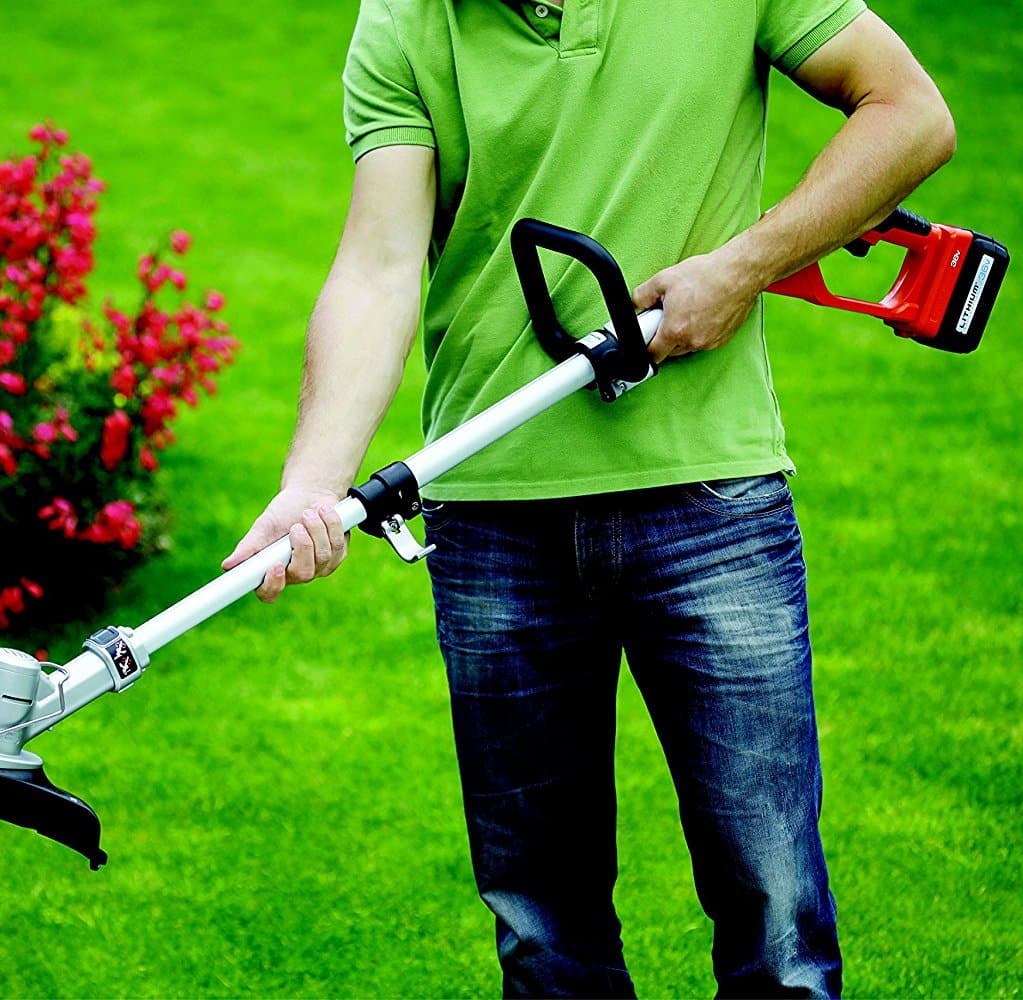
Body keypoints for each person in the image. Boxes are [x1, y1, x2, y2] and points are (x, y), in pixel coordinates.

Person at [222, 1, 954, 995]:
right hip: (492, 517)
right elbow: (380, 264)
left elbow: (910, 114)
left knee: (775, 918)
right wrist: (310, 484)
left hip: (709, 496)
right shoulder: (407, 17)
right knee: (544, 928)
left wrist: (740, 269)